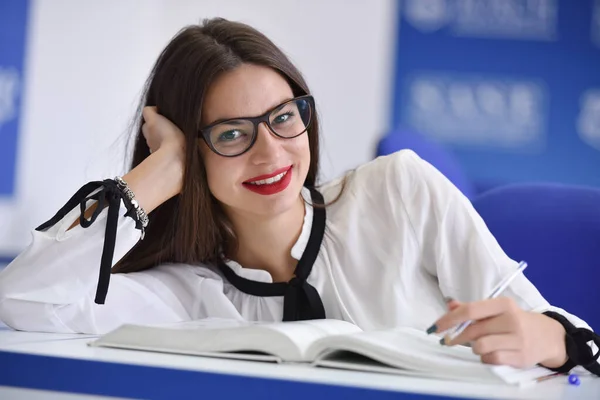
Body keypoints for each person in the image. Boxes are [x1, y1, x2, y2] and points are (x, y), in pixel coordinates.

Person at [0, 18, 598, 376]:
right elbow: (23, 301)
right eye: (231, 133)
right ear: (190, 149)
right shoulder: (184, 290)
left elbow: (571, 340)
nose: (271, 154)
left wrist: (554, 341)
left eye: (284, 117)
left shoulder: (399, 191)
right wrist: (158, 174)